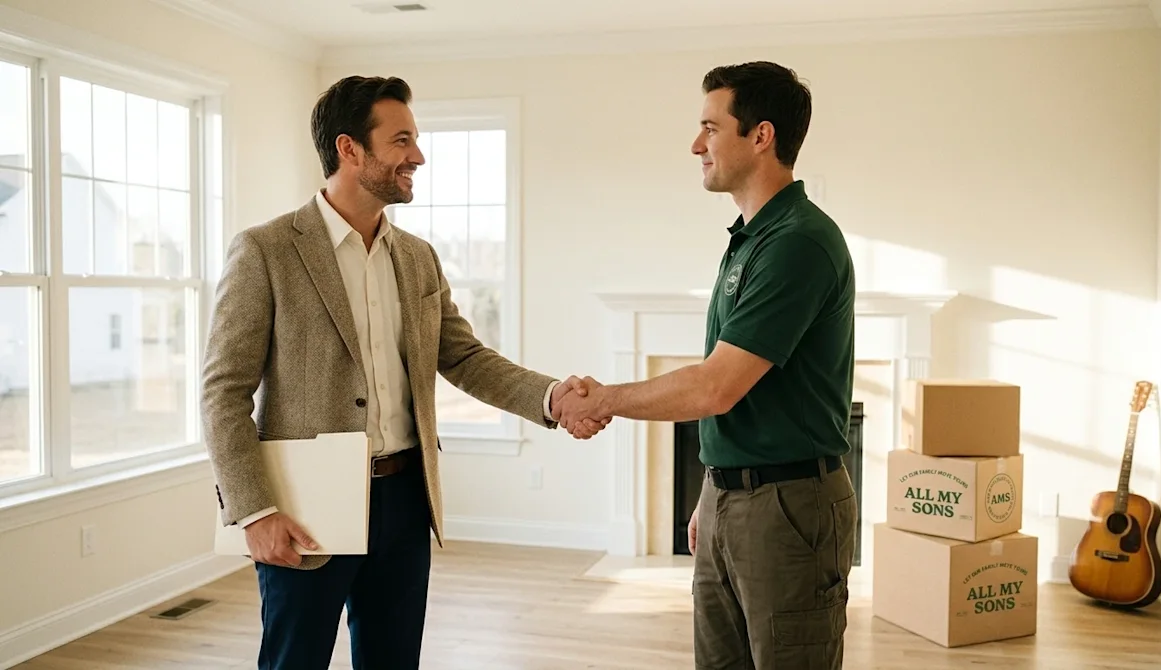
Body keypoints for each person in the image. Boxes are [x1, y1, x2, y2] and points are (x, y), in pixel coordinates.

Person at [200, 75, 603, 670]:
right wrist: (255, 511)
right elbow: (222, 391)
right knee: (293, 660)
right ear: (349, 149)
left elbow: (464, 357)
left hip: (406, 499)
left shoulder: (416, 257)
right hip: (307, 504)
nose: (417, 155)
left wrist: (551, 398)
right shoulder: (265, 250)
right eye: (402, 140)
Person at [558, 61, 858, 669]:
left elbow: (717, 386)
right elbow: (741, 393)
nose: (697, 144)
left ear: (761, 135)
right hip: (733, 497)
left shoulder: (798, 241)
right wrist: (713, 489)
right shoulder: (751, 238)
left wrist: (603, 399)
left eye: (710, 127)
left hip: (788, 508)